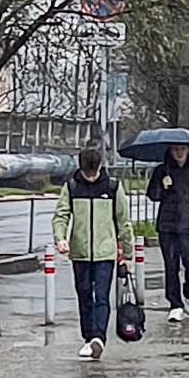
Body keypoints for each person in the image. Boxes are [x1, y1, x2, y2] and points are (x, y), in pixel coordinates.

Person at [51, 146, 131, 360]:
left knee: (102, 296)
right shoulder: (72, 186)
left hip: (106, 252)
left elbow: (124, 222)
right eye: (87, 173)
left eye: (93, 172)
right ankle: (87, 337)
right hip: (80, 252)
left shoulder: (113, 187)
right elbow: (61, 215)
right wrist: (60, 238)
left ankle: (98, 337)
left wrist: (128, 254)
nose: (91, 177)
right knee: (84, 295)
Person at [143, 142, 189, 323]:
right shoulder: (162, 170)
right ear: (170, 151)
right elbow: (152, 195)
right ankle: (175, 304)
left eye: (183, 149)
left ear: (188, 151)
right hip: (168, 226)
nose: (179, 153)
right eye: (176, 150)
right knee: (171, 266)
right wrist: (162, 186)